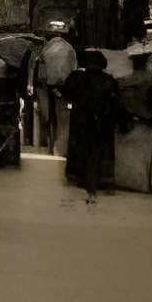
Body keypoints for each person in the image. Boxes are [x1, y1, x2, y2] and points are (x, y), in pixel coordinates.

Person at [63, 48, 124, 196]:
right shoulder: (109, 80)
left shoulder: (77, 77)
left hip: (81, 121)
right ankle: (101, 177)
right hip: (103, 121)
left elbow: (67, 95)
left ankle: (80, 175)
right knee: (100, 149)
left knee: (82, 147)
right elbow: (116, 101)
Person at [30, 23, 79, 152]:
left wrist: (36, 88)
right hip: (64, 88)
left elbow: (40, 73)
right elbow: (74, 70)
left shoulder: (44, 49)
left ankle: (46, 141)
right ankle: (60, 143)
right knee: (62, 116)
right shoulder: (70, 49)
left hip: (46, 87)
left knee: (45, 114)